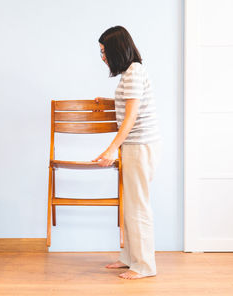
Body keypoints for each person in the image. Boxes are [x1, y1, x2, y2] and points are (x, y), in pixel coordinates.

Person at [93, 26, 161, 279]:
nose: (103, 57)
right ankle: (131, 258)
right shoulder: (132, 72)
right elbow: (132, 104)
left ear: (116, 49)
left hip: (139, 146)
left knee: (138, 207)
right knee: (131, 205)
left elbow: (131, 118)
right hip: (137, 146)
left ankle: (144, 266)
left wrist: (111, 148)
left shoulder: (133, 73)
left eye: (104, 51)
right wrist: (109, 102)